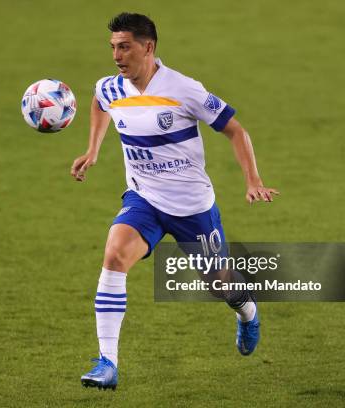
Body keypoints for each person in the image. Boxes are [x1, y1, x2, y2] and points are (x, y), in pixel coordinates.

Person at [71, 12, 279, 391]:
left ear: (147, 47)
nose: (117, 56)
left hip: (192, 208)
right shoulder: (111, 87)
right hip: (144, 199)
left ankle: (247, 310)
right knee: (114, 256)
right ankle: (108, 363)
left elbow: (235, 130)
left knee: (220, 284)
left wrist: (253, 180)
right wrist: (93, 149)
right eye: (113, 47)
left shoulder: (183, 89)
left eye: (125, 47)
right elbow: (100, 102)